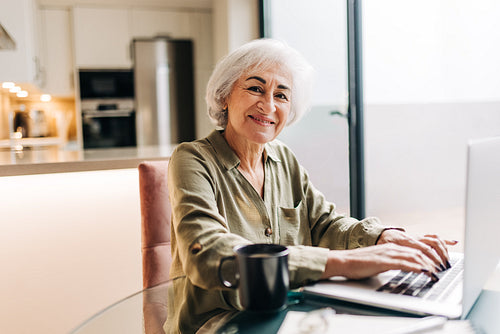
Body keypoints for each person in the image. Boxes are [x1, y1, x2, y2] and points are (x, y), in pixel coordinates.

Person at [164, 38, 456, 333]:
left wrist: (382, 237)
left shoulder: (283, 158)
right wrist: (345, 262)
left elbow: (325, 224)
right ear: (225, 95)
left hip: (289, 309)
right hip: (219, 322)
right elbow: (207, 252)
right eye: (255, 88)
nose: (268, 105)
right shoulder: (191, 159)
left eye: (281, 95)